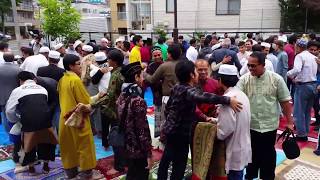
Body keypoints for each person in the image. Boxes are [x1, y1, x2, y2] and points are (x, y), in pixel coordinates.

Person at [157, 60, 242, 180]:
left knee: (166, 159)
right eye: (197, 71)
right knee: (179, 164)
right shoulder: (187, 90)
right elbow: (203, 96)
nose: (200, 73)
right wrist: (228, 100)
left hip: (171, 130)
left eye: (204, 69)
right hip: (181, 134)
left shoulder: (176, 87)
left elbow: (169, 108)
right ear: (192, 75)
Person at [238, 52, 294, 180]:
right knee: (251, 154)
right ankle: (250, 176)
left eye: (254, 66)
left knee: (268, 154)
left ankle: (267, 177)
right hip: (251, 125)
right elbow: (235, 95)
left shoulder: (276, 79)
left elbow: (285, 102)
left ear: (263, 65)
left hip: (269, 126)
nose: (250, 68)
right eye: (249, 65)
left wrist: (290, 122)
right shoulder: (244, 79)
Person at [57, 54, 103, 179]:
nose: (81, 66)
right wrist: (99, 97)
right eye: (78, 63)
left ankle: (71, 172)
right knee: (84, 146)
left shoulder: (63, 79)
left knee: (68, 146)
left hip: (65, 119)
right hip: (77, 119)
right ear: (71, 66)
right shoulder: (75, 80)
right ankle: (86, 173)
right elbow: (85, 103)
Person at [6, 71, 57, 174]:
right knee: (46, 141)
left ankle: (31, 168)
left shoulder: (17, 90)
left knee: (28, 143)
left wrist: (16, 120)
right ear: (33, 79)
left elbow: (9, 110)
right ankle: (46, 167)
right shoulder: (42, 89)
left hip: (28, 120)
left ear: (20, 81)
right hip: (46, 119)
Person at [90, 49, 125, 175]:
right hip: (119, 107)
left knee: (116, 135)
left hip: (113, 107)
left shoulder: (115, 74)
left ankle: (120, 164)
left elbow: (110, 95)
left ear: (113, 62)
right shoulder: (122, 70)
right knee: (112, 129)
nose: (107, 62)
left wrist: (91, 105)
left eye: (108, 60)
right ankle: (109, 145)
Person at [117, 62, 153, 179]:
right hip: (138, 148)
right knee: (140, 174)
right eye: (141, 75)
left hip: (127, 145)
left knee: (132, 173)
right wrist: (148, 153)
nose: (143, 78)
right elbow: (142, 129)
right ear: (136, 77)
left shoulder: (123, 94)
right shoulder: (137, 100)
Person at [216, 64, 251, 180]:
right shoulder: (242, 95)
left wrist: (214, 129)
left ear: (220, 80)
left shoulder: (228, 100)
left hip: (234, 147)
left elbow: (224, 131)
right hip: (243, 144)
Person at [287, 39, 318, 141]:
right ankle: (305, 130)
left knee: (299, 111)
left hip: (303, 86)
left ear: (298, 46)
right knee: (307, 111)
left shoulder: (300, 56)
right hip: (313, 85)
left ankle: (301, 134)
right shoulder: (314, 57)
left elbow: (297, 69)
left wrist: (288, 74)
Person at [0, 52, 21, 132]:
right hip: (15, 96)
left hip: (2, 96)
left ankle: (8, 133)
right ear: (13, 58)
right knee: (17, 114)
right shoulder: (18, 69)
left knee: (4, 116)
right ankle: (16, 132)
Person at [146, 46, 164, 137]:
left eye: (158, 55)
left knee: (165, 115)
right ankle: (158, 135)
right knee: (157, 115)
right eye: (155, 55)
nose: (157, 57)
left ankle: (164, 135)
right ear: (152, 56)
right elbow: (148, 80)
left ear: (161, 55)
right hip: (156, 94)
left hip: (166, 94)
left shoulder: (165, 64)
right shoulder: (150, 67)